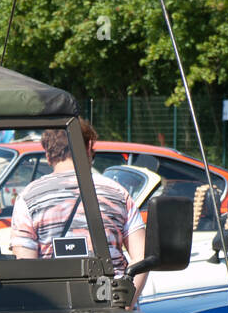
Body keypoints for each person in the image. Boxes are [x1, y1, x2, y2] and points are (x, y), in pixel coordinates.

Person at [10, 122, 146, 299]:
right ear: (89, 147)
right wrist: (126, 304)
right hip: (112, 308)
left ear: (47, 154)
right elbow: (141, 258)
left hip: (55, 311)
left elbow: (25, 268)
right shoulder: (118, 193)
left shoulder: (27, 198)